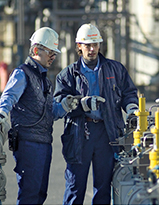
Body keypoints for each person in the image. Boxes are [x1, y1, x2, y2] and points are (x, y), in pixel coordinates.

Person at [0, 27, 80, 204]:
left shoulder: (44, 79)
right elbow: (9, 95)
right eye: (50, 52)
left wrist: (66, 106)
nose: (53, 57)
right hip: (28, 142)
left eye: (54, 53)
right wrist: (0, 113)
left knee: (40, 194)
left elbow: (50, 112)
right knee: (30, 194)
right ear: (36, 50)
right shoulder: (22, 73)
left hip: (44, 143)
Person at [54, 24, 139, 204]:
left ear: (100, 45)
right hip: (79, 134)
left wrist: (132, 108)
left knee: (103, 188)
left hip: (107, 134)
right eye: (87, 45)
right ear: (79, 46)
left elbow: (128, 93)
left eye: (95, 44)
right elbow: (58, 104)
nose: (92, 49)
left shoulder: (115, 69)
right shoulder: (68, 75)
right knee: (75, 187)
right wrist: (81, 105)